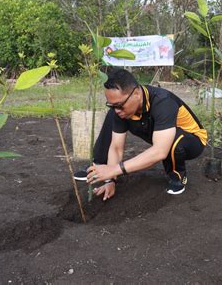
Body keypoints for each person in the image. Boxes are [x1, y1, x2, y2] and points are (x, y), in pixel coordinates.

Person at [74, 67, 207, 199]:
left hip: (192, 140)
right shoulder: (121, 109)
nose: (117, 110)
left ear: (136, 94)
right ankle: (98, 163)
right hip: (160, 133)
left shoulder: (163, 102)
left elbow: (159, 151)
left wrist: (115, 169)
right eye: (112, 105)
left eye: (119, 105)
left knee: (173, 143)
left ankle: (177, 175)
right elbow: (116, 147)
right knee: (113, 116)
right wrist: (110, 180)